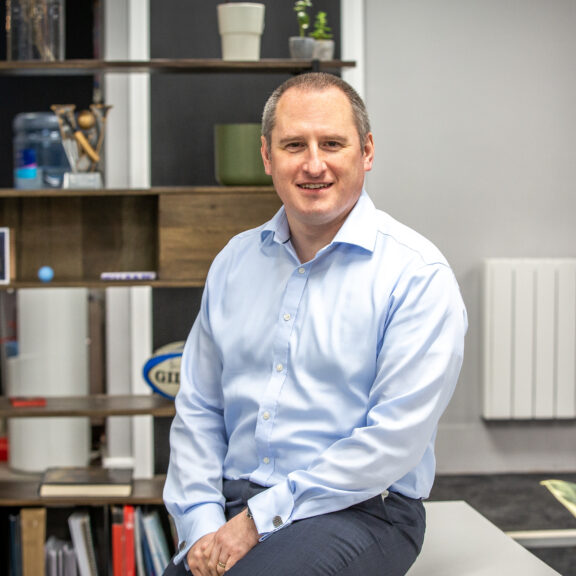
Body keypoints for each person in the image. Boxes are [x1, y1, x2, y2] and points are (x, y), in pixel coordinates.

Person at [163, 72, 467, 576]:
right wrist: (199, 523)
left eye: (332, 143)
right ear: (267, 157)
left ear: (366, 151)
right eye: (293, 145)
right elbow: (198, 408)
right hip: (234, 503)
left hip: (364, 511)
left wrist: (253, 524)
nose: (313, 164)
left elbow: (391, 441)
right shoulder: (234, 263)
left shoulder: (417, 276)